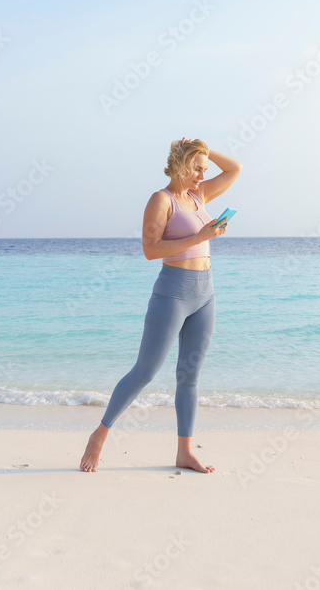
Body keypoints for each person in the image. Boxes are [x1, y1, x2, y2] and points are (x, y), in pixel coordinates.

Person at [80, 138, 242, 473]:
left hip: (206, 293)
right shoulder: (161, 200)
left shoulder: (199, 196)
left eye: (204, 169)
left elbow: (235, 169)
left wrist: (203, 148)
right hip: (173, 293)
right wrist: (201, 237)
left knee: (189, 376)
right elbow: (150, 250)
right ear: (180, 165)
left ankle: (185, 452)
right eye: (197, 168)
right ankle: (99, 434)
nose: (202, 175)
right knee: (145, 371)